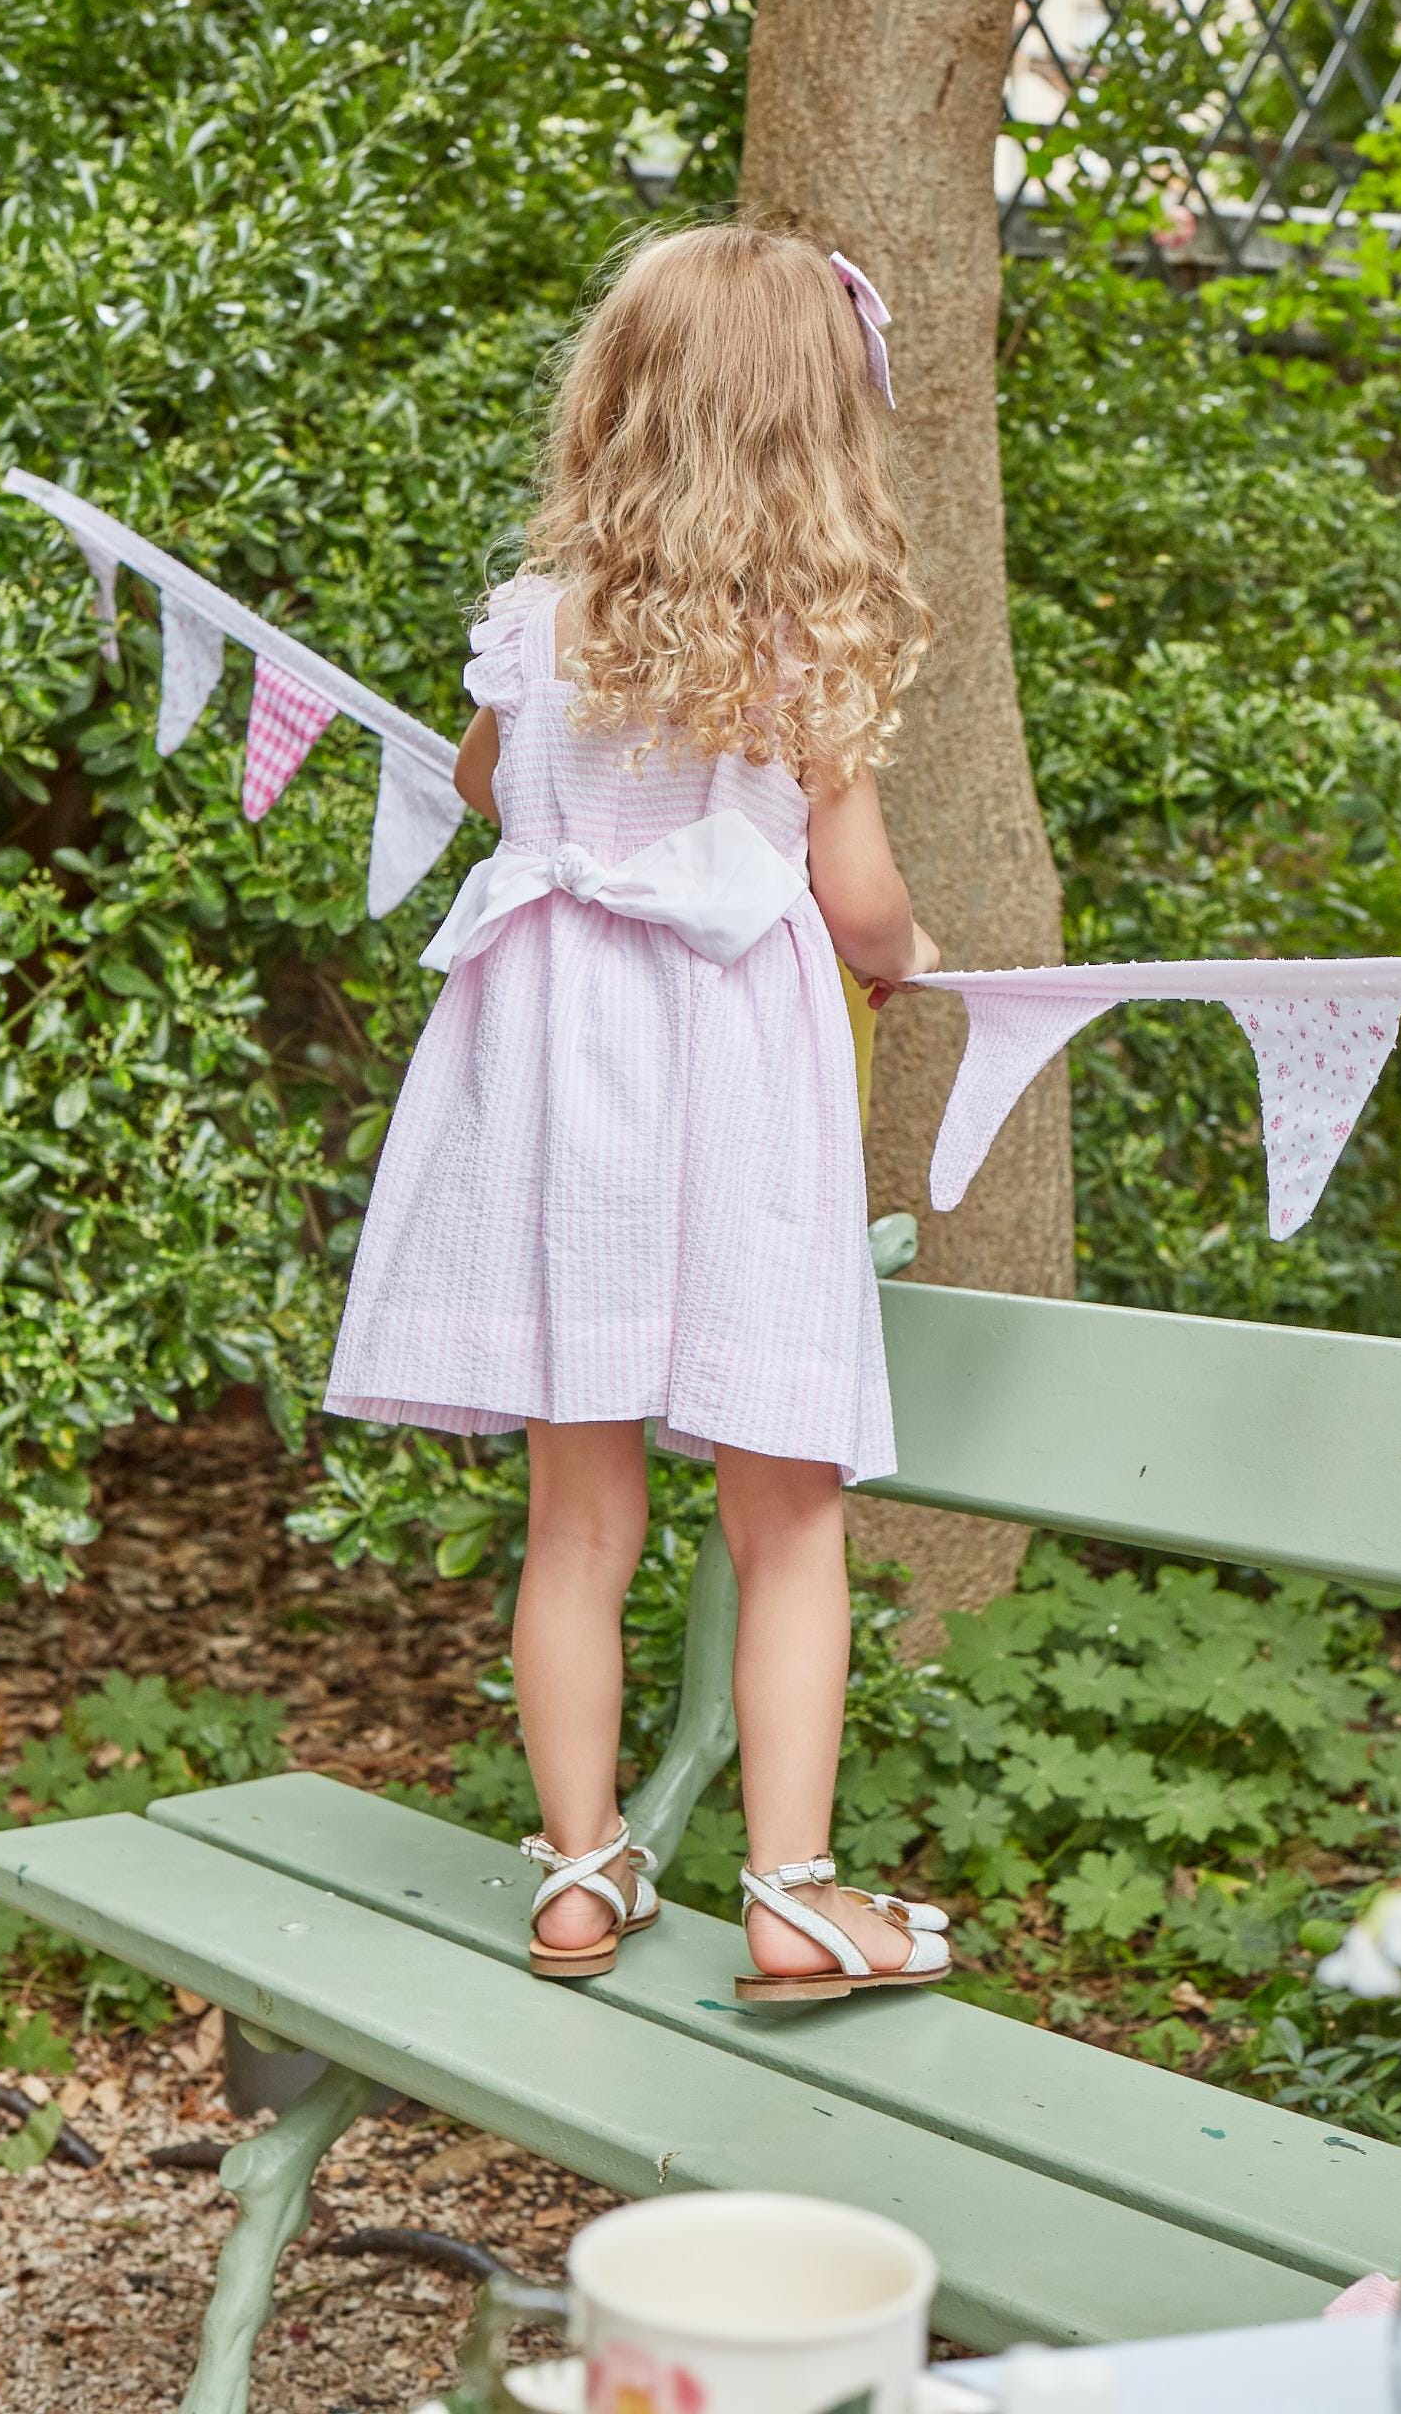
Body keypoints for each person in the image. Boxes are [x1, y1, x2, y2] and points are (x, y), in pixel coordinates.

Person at [325, 224, 952, 2003]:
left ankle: (584, 1875)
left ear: (624, 400)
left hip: (555, 1080)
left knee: (578, 1517)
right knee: (789, 1507)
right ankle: (792, 1893)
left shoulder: (537, 624)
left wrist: (581, 831)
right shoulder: (808, 641)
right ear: (817, 429)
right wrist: (902, 964)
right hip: (733, 1084)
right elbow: (865, 900)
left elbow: (482, 781)